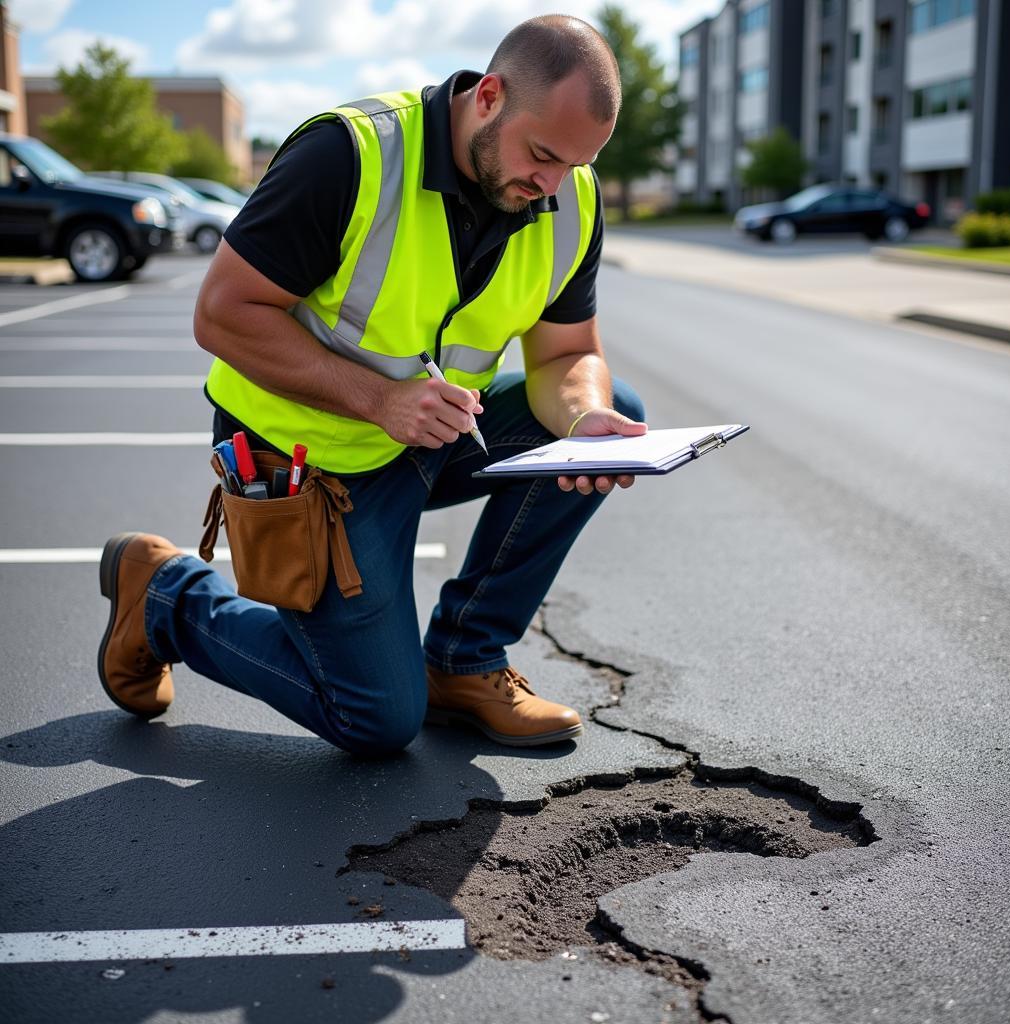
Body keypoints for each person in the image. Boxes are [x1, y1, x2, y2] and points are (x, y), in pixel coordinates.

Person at [97, 14, 646, 756]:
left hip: (432, 434)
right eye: (543, 154)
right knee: (377, 720)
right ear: (488, 96)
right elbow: (222, 314)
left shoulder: (567, 194)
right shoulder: (349, 155)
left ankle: (464, 660)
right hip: (311, 455)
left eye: (574, 165)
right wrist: (380, 400)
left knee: (613, 420)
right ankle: (165, 598)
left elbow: (567, 354)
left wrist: (584, 420)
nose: (551, 186)